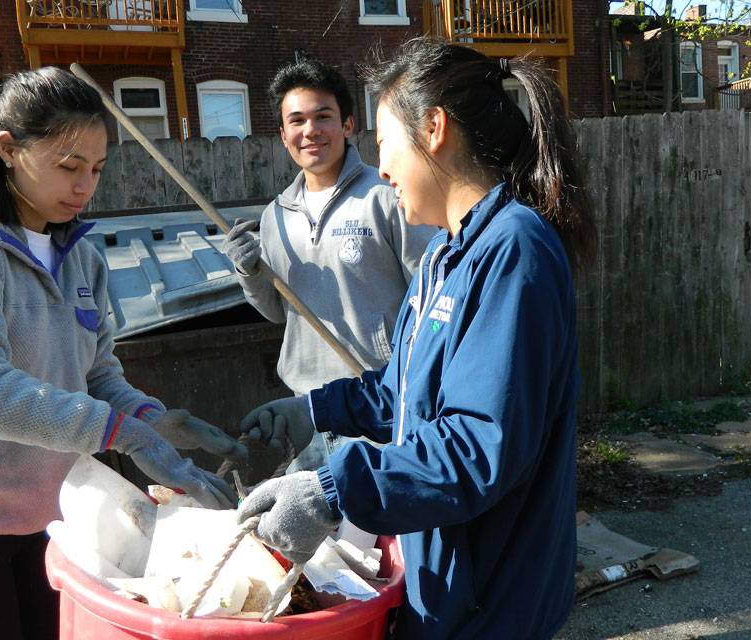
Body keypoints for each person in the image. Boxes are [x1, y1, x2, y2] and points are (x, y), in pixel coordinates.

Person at [236, 39, 597, 639]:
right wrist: (313, 410)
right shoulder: (445, 258)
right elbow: (401, 392)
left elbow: (477, 446)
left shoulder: (514, 251)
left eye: (384, 144)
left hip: (493, 593)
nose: (380, 169)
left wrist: (334, 490)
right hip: (445, 572)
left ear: (433, 129)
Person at [0, 67, 246, 640]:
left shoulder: (81, 257)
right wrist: (122, 432)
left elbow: (96, 373)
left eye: (96, 170)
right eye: (69, 167)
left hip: (50, 514)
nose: (84, 187)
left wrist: (155, 420)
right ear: (8, 150)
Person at [222, 57, 432, 471]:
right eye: (296, 121)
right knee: (317, 532)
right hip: (306, 411)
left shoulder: (386, 195)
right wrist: (248, 273)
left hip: (376, 403)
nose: (310, 130)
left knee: (379, 534)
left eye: (323, 116)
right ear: (283, 136)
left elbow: (429, 293)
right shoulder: (275, 217)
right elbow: (275, 313)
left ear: (347, 124)